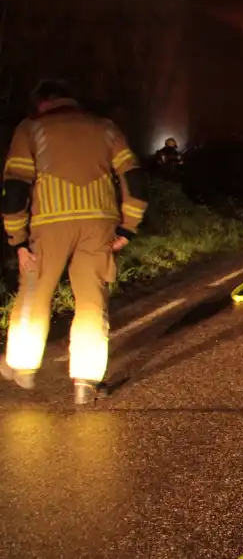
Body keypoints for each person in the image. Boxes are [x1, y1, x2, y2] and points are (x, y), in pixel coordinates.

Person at [0, 79, 149, 404]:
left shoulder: (31, 128)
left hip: (49, 223)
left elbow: (15, 187)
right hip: (99, 223)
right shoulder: (105, 128)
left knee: (35, 289)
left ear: (41, 102)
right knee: (92, 300)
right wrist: (128, 227)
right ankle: (86, 381)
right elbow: (134, 178)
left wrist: (18, 240)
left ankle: (23, 366)